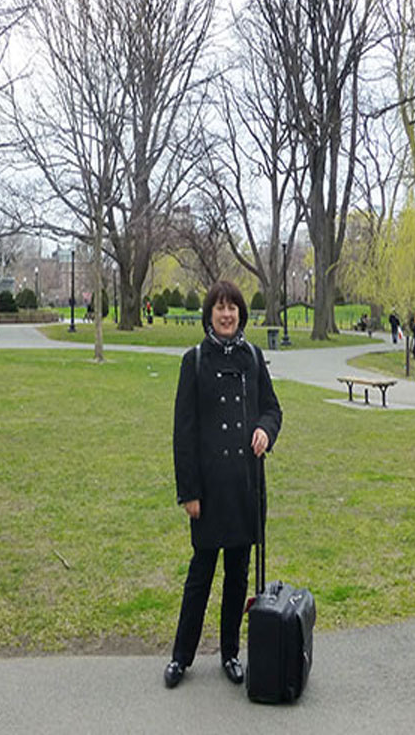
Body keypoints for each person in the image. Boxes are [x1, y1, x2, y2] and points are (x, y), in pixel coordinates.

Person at [165, 280, 282, 690]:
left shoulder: (253, 357)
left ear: (241, 315)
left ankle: (231, 653)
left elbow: (272, 408)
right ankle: (182, 657)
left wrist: (266, 431)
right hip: (210, 492)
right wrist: (189, 492)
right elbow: (184, 433)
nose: (227, 314)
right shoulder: (194, 361)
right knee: (201, 575)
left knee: (237, 577)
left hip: (245, 488)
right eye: (220, 307)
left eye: (233, 307)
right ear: (210, 314)